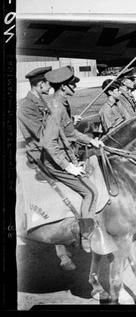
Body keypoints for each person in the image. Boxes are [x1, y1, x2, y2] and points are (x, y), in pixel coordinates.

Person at [40, 66, 104, 252]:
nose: (74, 88)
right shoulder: (56, 108)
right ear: (63, 87)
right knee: (91, 192)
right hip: (54, 162)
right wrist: (67, 166)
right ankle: (87, 237)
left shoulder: (63, 104)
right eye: (72, 85)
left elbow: (71, 132)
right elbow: (48, 144)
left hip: (64, 155)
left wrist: (91, 140)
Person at [17, 66, 53, 181]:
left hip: (47, 149)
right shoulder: (26, 106)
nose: (51, 86)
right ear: (41, 83)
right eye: (49, 83)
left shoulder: (39, 100)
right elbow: (41, 134)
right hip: (40, 154)